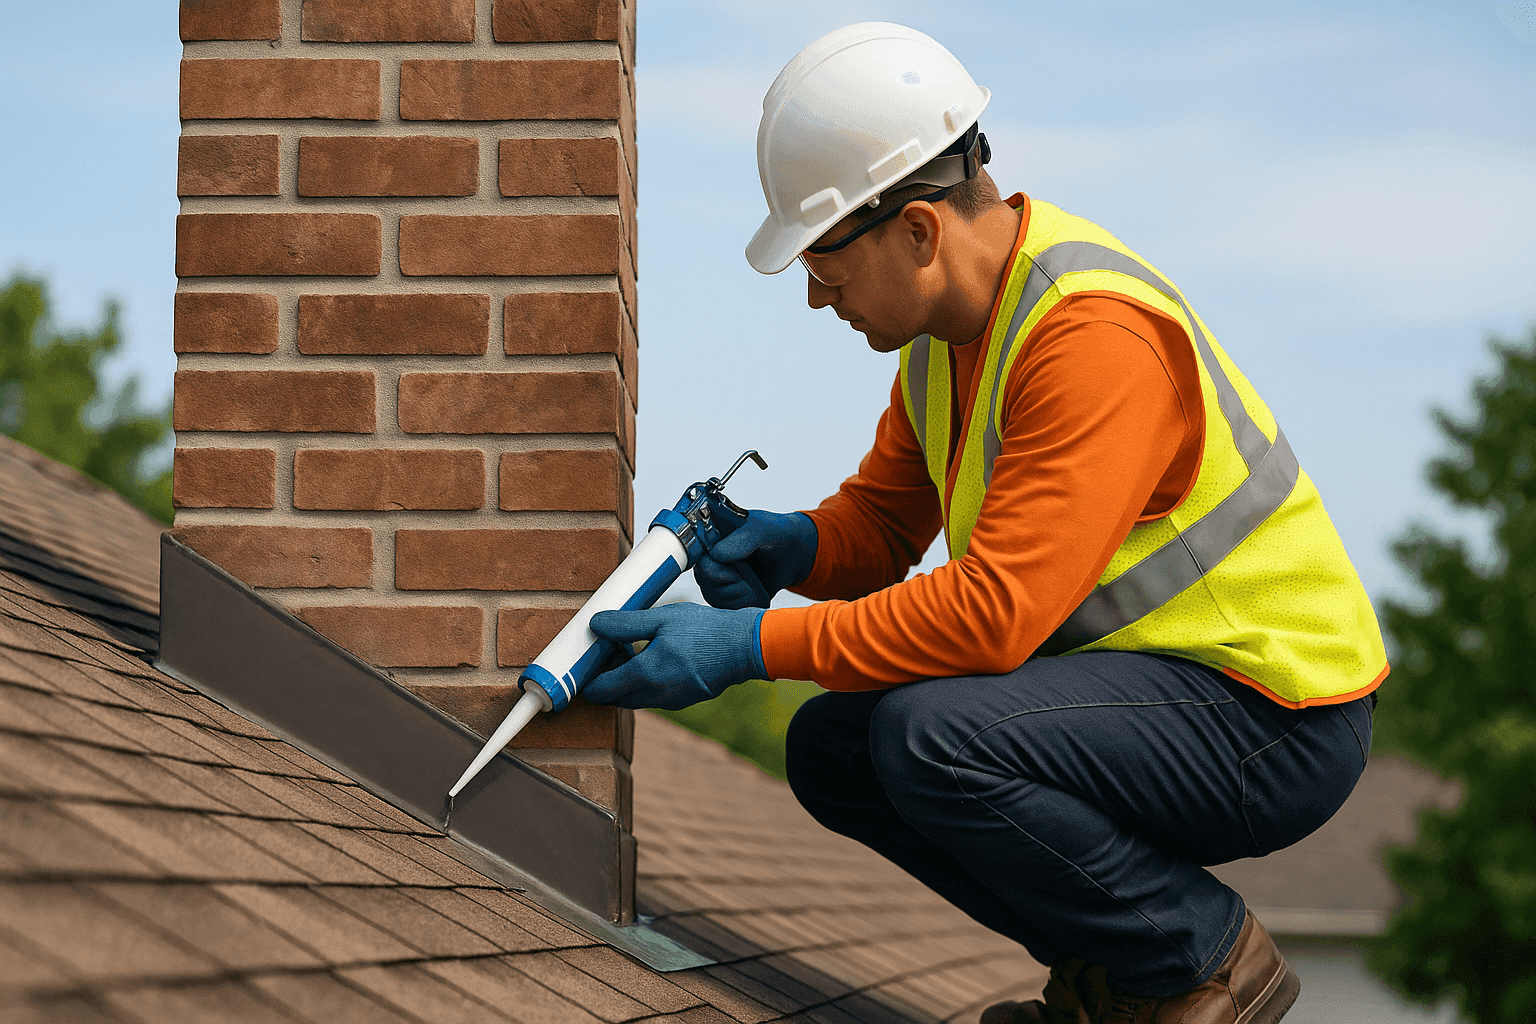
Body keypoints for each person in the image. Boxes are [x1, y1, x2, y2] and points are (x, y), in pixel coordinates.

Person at [582, 22, 1387, 1024]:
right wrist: (794, 546)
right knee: (836, 746)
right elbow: (883, 527)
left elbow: (992, 616)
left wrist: (748, 646)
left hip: (1270, 718)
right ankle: (1111, 981)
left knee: (931, 736)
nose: (816, 299)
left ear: (919, 232)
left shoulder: (1091, 336)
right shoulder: (945, 340)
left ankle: (1200, 959)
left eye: (826, 265)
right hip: (1155, 699)